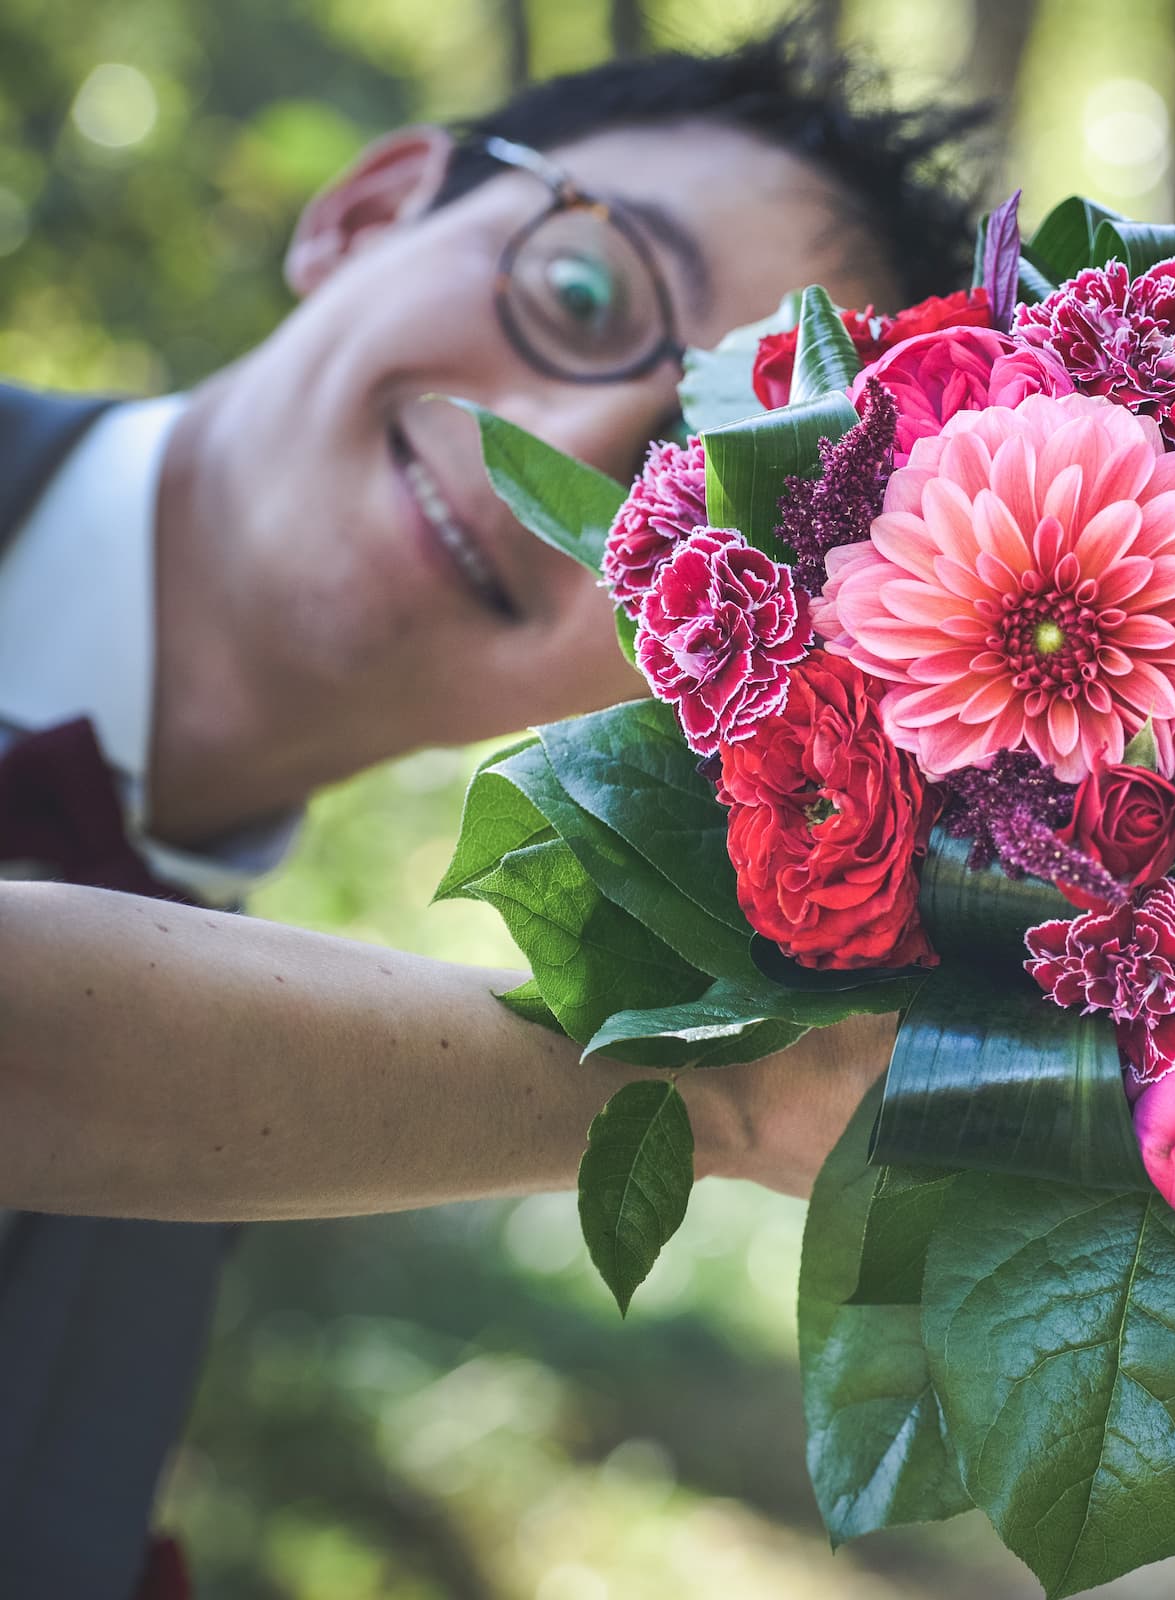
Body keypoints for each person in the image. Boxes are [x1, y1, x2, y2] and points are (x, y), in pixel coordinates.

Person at [0, 22, 980, 1597]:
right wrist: (701, 1091)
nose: (566, 450)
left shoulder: (218, 1149)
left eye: (701, 489)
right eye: (583, 293)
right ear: (369, 209)